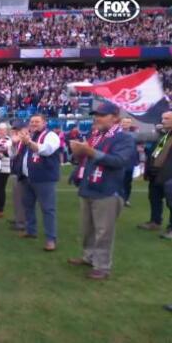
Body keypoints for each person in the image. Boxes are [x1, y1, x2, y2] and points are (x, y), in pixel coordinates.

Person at [68, 102, 135, 280]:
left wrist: (89, 151)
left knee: (103, 231)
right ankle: (88, 257)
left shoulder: (124, 138)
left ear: (115, 118)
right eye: (96, 114)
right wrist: (77, 152)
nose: (97, 118)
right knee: (87, 228)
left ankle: (102, 266)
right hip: (88, 186)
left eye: (102, 115)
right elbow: (84, 160)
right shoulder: (95, 135)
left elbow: (119, 161)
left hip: (107, 189)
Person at [15, 114, 61, 251]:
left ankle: (51, 239)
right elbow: (19, 154)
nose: (34, 124)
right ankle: (31, 230)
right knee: (28, 206)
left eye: (37, 121)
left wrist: (28, 142)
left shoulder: (51, 136)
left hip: (44, 178)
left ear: (44, 123)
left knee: (48, 209)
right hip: (27, 177)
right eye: (32, 121)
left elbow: (46, 150)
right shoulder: (30, 135)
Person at [139, 111, 172, 236]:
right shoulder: (164, 136)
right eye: (162, 118)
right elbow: (156, 153)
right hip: (156, 174)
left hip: (168, 175)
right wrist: (150, 168)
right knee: (154, 198)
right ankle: (155, 221)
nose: (163, 121)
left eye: (167, 118)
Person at [8, 121, 28, 231]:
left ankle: (21, 222)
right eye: (14, 129)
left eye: (17, 129)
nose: (15, 132)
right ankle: (18, 218)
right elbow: (12, 155)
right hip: (16, 170)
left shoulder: (26, 140)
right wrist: (14, 143)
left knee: (21, 197)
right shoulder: (17, 141)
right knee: (16, 197)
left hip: (21, 172)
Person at [120, 117, 138, 207]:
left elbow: (138, 149)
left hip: (130, 162)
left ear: (130, 124)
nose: (126, 124)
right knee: (118, 180)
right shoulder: (116, 134)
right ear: (121, 123)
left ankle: (126, 199)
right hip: (118, 161)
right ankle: (118, 199)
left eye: (128, 122)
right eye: (124, 122)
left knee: (127, 182)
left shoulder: (134, 135)